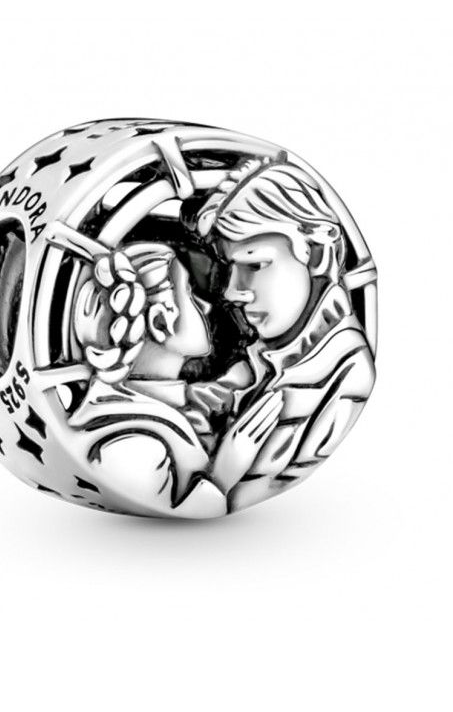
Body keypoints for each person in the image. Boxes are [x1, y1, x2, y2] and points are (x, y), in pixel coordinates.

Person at [190, 160, 376, 510]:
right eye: (231, 268)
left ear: (317, 254)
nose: (232, 291)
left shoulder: (347, 379)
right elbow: (207, 399)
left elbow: (245, 494)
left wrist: (221, 478)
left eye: (255, 265)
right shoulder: (263, 361)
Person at [68, 241, 281, 518]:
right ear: (160, 323)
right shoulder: (134, 445)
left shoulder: (158, 406)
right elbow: (181, 504)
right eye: (189, 293)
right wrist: (226, 471)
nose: (205, 305)